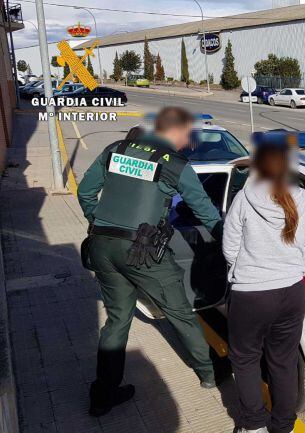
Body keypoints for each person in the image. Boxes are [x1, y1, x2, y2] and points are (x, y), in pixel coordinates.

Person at [77, 107, 222, 416]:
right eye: (187, 135)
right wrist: (230, 241)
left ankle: (104, 394)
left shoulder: (117, 149)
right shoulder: (176, 165)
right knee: (180, 312)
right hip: (141, 252)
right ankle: (209, 373)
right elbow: (206, 212)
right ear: (178, 131)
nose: (187, 141)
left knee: (117, 321)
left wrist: (100, 224)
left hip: (102, 247)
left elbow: (86, 191)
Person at [222, 134, 305, 433]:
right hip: (291, 293)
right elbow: (304, 244)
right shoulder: (300, 198)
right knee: (283, 362)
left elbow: (229, 247)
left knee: (246, 360)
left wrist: (241, 271)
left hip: (251, 294)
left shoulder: (244, 197)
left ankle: (253, 426)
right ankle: (283, 426)